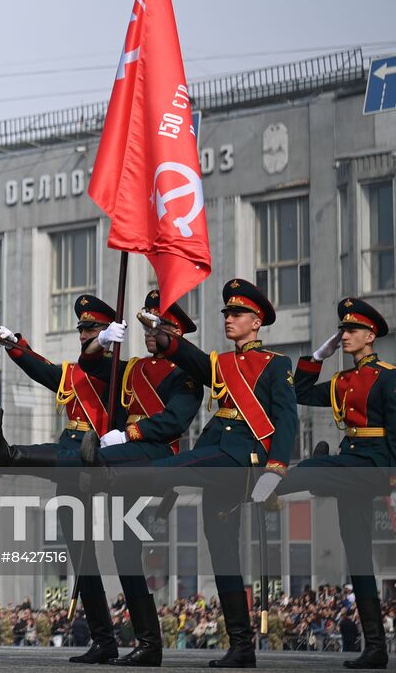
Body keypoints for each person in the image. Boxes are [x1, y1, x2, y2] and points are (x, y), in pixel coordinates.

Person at [95, 278, 297, 669]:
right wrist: (161, 334)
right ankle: (242, 647)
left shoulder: (276, 365)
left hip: (239, 458)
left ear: (257, 322)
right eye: (226, 313)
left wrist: (277, 467)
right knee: (223, 554)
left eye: (237, 314)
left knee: (170, 468)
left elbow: (287, 419)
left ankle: (112, 473)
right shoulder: (221, 364)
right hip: (214, 454)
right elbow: (190, 359)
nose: (229, 319)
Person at [0, 294, 121, 663]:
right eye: (82, 329)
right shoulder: (76, 371)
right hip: (69, 450)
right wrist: (14, 345)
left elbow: (95, 367)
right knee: (80, 554)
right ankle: (103, 641)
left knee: (102, 552)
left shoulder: (115, 370)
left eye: (91, 329)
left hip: (96, 454)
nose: (84, 335)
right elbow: (44, 369)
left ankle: (8, 454)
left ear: (107, 332)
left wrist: (105, 346)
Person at [75, 289, 203, 667]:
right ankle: (148, 644)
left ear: (174, 331)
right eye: (146, 323)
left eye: (156, 324)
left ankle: (19, 458)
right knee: (124, 552)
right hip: (120, 460)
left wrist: (127, 434)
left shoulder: (187, 374)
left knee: (85, 460)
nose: (149, 331)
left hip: (154, 456)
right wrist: (100, 341)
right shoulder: (130, 368)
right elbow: (87, 365)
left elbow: (175, 421)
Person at [277, 297, 396, 670]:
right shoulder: (343, 380)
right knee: (358, 560)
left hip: (373, 463)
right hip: (350, 468)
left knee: (316, 466)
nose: (345, 336)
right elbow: (297, 392)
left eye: (352, 331)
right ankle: (375, 649)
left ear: (371, 335)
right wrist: (317, 356)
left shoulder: (389, 376)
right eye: (342, 331)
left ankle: (267, 483)